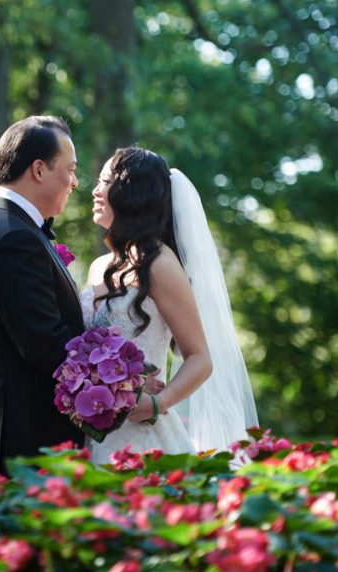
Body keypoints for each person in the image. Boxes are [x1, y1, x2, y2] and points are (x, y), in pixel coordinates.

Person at [82, 146, 259, 460]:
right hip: (90, 427)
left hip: (140, 435)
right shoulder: (99, 266)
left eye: (105, 182)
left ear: (132, 193)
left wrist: (155, 405)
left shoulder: (159, 263)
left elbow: (200, 359)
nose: (95, 190)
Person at [0, 116, 84, 475]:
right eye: (71, 170)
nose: (75, 182)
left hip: (9, 428)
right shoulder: (14, 238)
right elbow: (44, 343)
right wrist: (121, 386)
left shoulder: (2, 225)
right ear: (39, 170)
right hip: (23, 438)